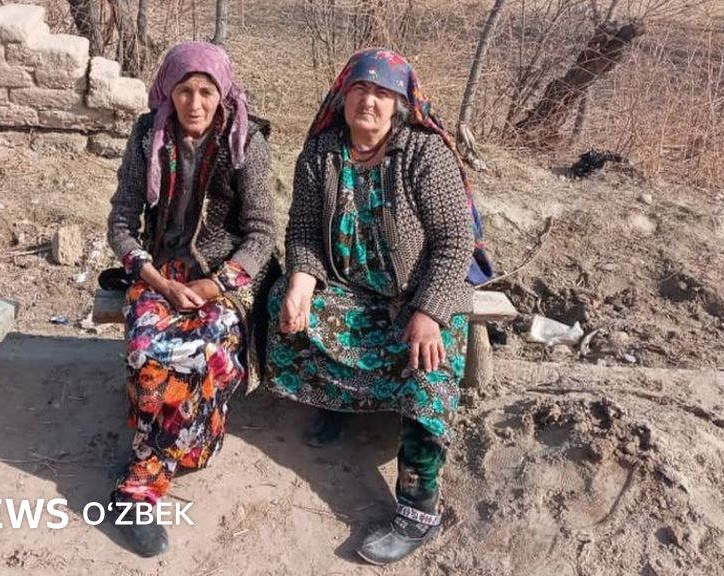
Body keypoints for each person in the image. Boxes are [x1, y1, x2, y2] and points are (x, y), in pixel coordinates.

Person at [266, 48, 477, 565]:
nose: (369, 101)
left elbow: (455, 241)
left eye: (383, 93)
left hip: (420, 294)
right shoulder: (321, 153)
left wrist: (429, 312)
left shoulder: (424, 154)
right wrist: (301, 283)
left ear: (399, 105)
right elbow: (303, 231)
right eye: (360, 89)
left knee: (428, 373)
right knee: (282, 310)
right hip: (351, 291)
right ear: (342, 97)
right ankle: (341, 404)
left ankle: (418, 509)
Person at [106, 41, 275, 557]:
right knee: (147, 351)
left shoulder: (244, 139)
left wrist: (213, 286)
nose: (194, 103)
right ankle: (144, 479)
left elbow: (262, 233)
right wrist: (156, 280)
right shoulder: (147, 135)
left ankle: (159, 464)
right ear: (168, 92)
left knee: (207, 349)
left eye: (205, 91)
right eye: (184, 90)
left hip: (222, 276)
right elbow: (121, 222)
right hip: (161, 272)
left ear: (222, 93)